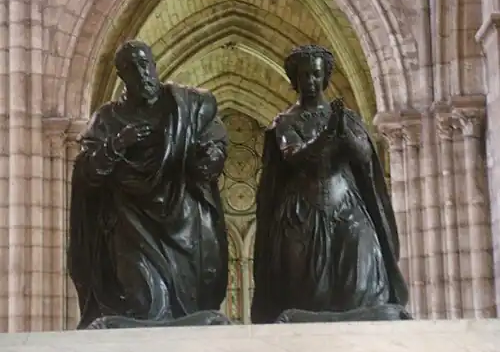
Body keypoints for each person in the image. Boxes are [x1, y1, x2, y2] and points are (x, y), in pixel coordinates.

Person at [68, 40, 230, 329]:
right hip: (131, 224)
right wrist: (118, 144)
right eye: (132, 68)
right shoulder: (108, 118)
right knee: (143, 302)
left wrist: (211, 156)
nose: (142, 74)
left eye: (146, 65)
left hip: (184, 219)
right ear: (122, 77)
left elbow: (213, 140)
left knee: (191, 302)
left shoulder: (188, 105)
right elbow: (87, 172)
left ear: (154, 66)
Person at [251, 44, 409, 324]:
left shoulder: (347, 118)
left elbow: (363, 157)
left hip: (346, 205)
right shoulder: (286, 122)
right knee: (307, 290)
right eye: (304, 76)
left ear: (325, 77)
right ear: (295, 80)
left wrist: (344, 134)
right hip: (302, 210)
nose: (310, 81)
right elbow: (295, 156)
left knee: (363, 277)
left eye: (315, 74)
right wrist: (328, 134)